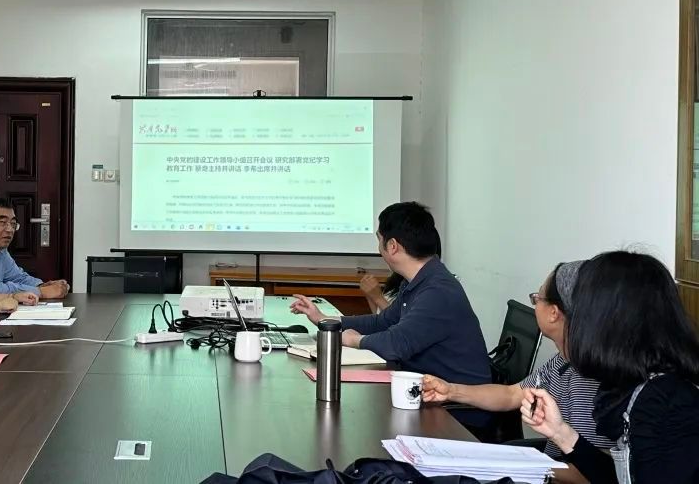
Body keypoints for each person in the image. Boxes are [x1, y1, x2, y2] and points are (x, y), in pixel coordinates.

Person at [290, 202, 491, 431]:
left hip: (457, 415)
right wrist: (326, 320)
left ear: (392, 246)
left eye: (379, 239)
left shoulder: (438, 291)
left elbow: (396, 344)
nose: (379, 247)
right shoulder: (419, 281)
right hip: (426, 396)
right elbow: (383, 322)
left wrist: (353, 340)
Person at [522, 251, 699, 484]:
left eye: (581, 311)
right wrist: (559, 431)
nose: (574, 322)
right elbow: (622, 479)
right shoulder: (636, 387)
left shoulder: (666, 404)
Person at [420, 260, 612, 460]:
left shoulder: (590, 381)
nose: (535, 303)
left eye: (537, 298)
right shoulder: (563, 360)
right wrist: (450, 390)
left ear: (553, 313)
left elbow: (593, 471)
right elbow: (511, 394)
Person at [0, 198, 70, 300]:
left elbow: (18, 277)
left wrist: (42, 285)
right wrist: (41, 292)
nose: (10, 229)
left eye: (13, 224)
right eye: (2, 222)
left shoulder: (0, 250)